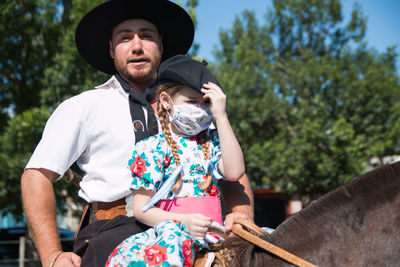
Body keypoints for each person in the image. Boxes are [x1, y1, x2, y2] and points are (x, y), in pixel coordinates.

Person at [20, 0, 254, 266]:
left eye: (146, 35)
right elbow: (36, 175)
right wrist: (52, 255)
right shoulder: (82, 107)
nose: (137, 46)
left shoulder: (194, 108)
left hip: (201, 228)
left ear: (161, 45)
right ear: (111, 49)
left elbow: (227, 166)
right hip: (113, 232)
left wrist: (242, 213)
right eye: (125, 38)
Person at [106, 54, 245, 266]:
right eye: (191, 101)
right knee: (168, 249)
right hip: (175, 231)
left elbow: (235, 172)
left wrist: (222, 118)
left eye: (205, 103)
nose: (200, 110)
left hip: (215, 232)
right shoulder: (152, 148)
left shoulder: (213, 142)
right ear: (165, 101)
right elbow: (141, 208)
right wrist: (183, 222)